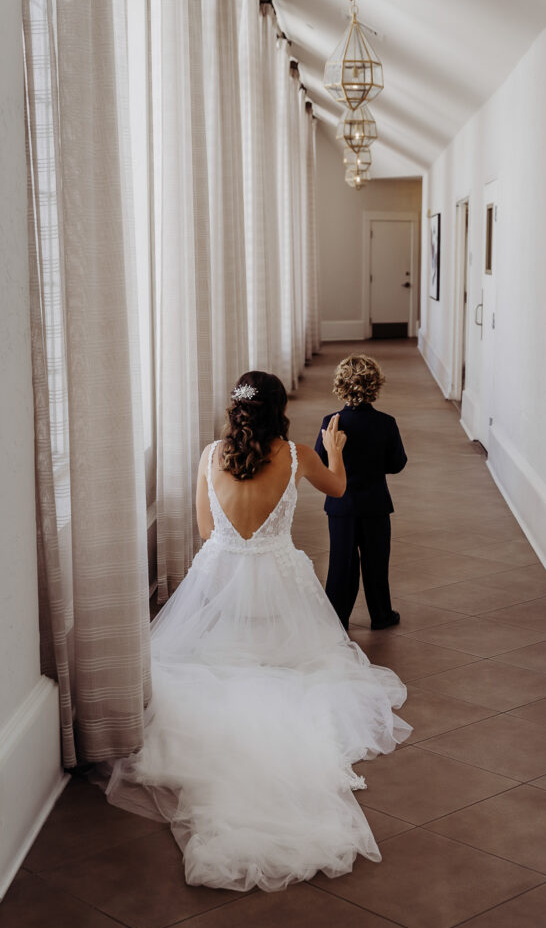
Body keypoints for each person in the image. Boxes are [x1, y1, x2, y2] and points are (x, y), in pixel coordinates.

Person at [102, 371, 410, 893]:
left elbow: (205, 531)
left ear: (236, 409)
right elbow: (338, 488)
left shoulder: (208, 454)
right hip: (277, 583)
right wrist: (334, 447)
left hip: (219, 579)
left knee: (210, 664)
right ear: (279, 409)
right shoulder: (294, 454)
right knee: (298, 669)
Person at [315, 354, 407, 632]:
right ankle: (381, 615)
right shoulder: (386, 423)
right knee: (376, 561)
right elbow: (397, 464)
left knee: (341, 562)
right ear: (375, 385)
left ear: (340, 386)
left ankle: (337, 618)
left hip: (340, 506)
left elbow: (321, 462)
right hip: (375, 504)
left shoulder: (331, 421)